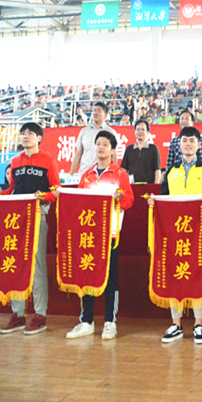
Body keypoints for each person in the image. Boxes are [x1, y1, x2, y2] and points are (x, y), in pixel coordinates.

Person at [152, 127, 202, 344]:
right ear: (178, 144)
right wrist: (154, 203)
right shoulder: (171, 171)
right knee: (174, 272)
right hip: (174, 233)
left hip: (198, 233)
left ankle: (198, 324)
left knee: (198, 273)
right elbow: (164, 200)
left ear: (198, 145)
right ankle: (176, 323)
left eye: (192, 140)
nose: (188, 144)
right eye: (184, 140)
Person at [66, 131, 134, 341]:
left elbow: (129, 201)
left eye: (105, 144)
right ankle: (86, 321)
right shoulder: (87, 175)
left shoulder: (120, 174)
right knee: (87, 276)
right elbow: (79, 202)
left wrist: (119, 198)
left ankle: (109, 322)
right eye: (98, 144)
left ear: (113, 150)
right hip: (89, 235)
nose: (101, 147)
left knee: (111, 278)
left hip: (110, 234)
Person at [0, 123, 60, 335]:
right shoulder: (15, 161)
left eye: (30, 133)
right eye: (23, 133)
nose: (25, 136)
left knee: (37, 266)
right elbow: (12, 190)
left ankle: (40, 315)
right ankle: (18, 315)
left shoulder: (48, 161)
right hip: (16, 218)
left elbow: (56, 191)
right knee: (16, 264)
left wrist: (43, 196)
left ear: (39, 137)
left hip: (38, 216)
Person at [69, 102, 117, 176]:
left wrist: (113, 174)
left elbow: (113, 155)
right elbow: (78, 153)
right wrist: (71, 173)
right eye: (94, 110)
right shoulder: (84, 131)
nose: (95, 113)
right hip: (84, 173)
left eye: (99, 110)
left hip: (102, 175)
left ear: (105, 115)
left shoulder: (110, 132)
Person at [120, 120, 161, 184]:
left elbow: (157, 170)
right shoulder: (129, 149)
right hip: (132, 186)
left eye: (143, 129)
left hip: (149, 186)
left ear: (147, 132)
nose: (140, 132)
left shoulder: (153, 148)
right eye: (138, 129)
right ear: (135, 132)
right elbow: (123, 169)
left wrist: (156, 186)